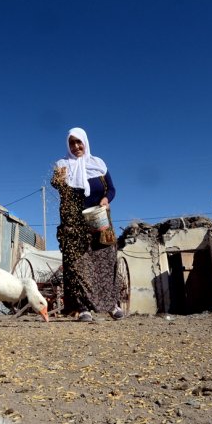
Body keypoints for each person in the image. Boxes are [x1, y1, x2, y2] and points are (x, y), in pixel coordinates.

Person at [51, 127, 124, 322]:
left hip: (99, 219)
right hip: (74, 222)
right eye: (72, 142)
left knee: (106, 260)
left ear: (85, 142)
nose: (75, 146)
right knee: (79, 264)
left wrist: (106, 199)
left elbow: (112, 189)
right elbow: (57, 185)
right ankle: (83, 308)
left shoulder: (98, 163)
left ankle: (112, 305)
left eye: (78, 142)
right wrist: (58, 179)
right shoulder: (62, 164)